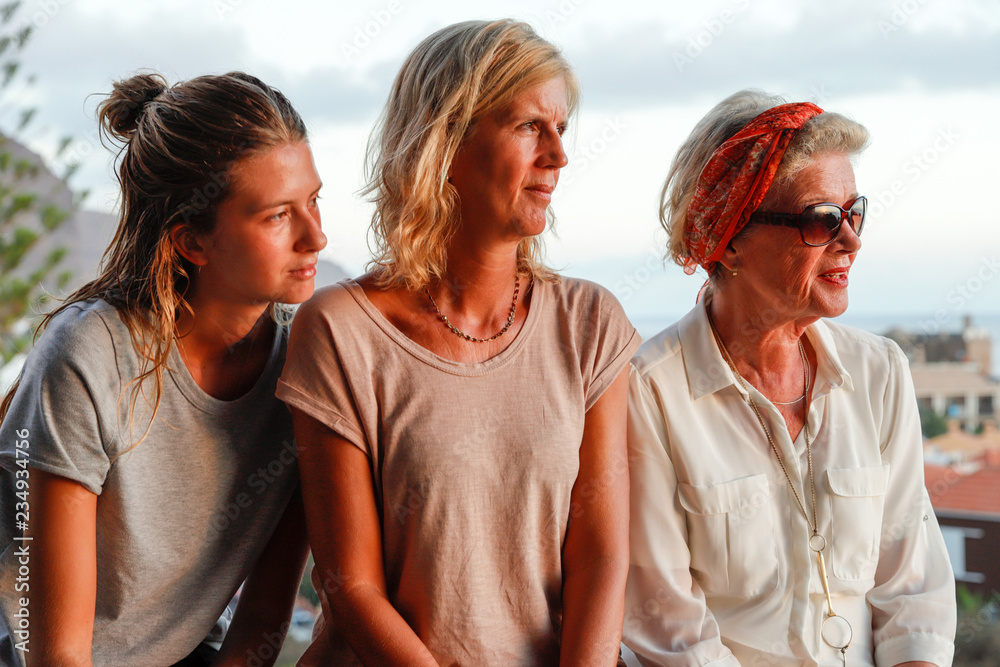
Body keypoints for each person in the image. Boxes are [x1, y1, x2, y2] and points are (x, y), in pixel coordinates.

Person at [277, 19, 639, 666]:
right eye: (530, 126)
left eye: (561, 128)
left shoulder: (590, 324)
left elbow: (601, 557)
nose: (558, 155)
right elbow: (351, 587)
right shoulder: (341, 330)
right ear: (446, 140)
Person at [0, 71, 324, 665]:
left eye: (313, 201)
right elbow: (57, 655)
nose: (316, 237)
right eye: (278, 216)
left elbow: (258, 626)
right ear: (191, 242)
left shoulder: (305, 372)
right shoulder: (88, 358)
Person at [622, 90, 956, 667]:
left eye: (854, 213)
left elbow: (913, 594)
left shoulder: (880, 373)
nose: (851, 240)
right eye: (822, 219)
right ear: (726, 241)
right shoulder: (646, 393)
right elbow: (671, 634)